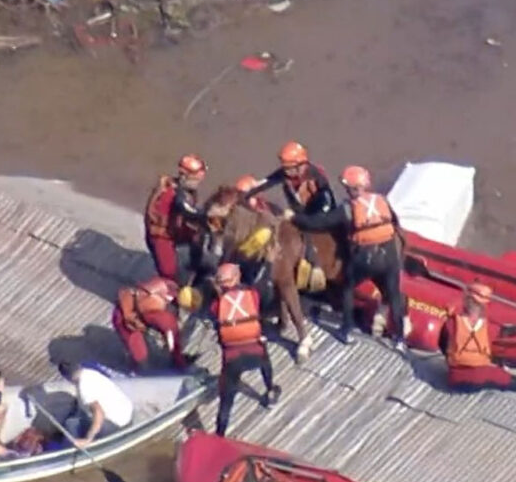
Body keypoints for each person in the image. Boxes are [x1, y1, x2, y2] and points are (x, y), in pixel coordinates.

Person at [288, 165, 405, 347]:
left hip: (365, 257)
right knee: (394, 294)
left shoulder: (349, 209)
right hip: (389, 254)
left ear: (352, 188)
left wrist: (294, 218)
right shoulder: (382, 201)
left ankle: (347, 330)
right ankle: (400, 338)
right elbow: (395, 222)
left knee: (347, 287)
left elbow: (319, 223)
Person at [243, 141, 337, 275]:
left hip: (319, 214)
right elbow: (265, 182)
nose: (286, 172)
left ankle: (315, 264)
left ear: (302, 165)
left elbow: (327, 202)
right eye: (285, 168)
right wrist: (245, 195)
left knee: (307, 229)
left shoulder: (317, 176)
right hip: (299, 212)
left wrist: (308, 220)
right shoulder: (285, 173)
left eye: (290, 168)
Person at [210, 263, 281, 437]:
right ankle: (270, 389)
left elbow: (216, 318)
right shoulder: (252, 295)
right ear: (237, 277)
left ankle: (220, 434)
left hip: (232, 357)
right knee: (265, 359)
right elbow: (257, 307)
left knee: (226, 399)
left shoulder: (216, 304)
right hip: (255, 350)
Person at [144, 154, 209, 285]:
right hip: (161, 236)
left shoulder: (185, 190)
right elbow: (187, 211)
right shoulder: (172, 194)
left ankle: (195, 265)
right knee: (169, 273)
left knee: (198, 236)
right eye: (197, 177)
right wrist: (207, 216)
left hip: (174, 229)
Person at [112, 276, 188, 371]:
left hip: (129, 306)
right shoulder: (166, 319)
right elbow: (173, 343)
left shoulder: (168, 285)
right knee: (140, 356)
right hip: (125, 320)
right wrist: (180, 363)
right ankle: (136, 372)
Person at [57, 362, 134, 448]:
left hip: (117, 426)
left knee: (71, 424)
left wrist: (89, 439)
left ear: (65, 377)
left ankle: (73, 450)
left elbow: (99, 413)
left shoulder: (84, 387)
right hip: (128, 417)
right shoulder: (89, 373)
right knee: (79, 419)